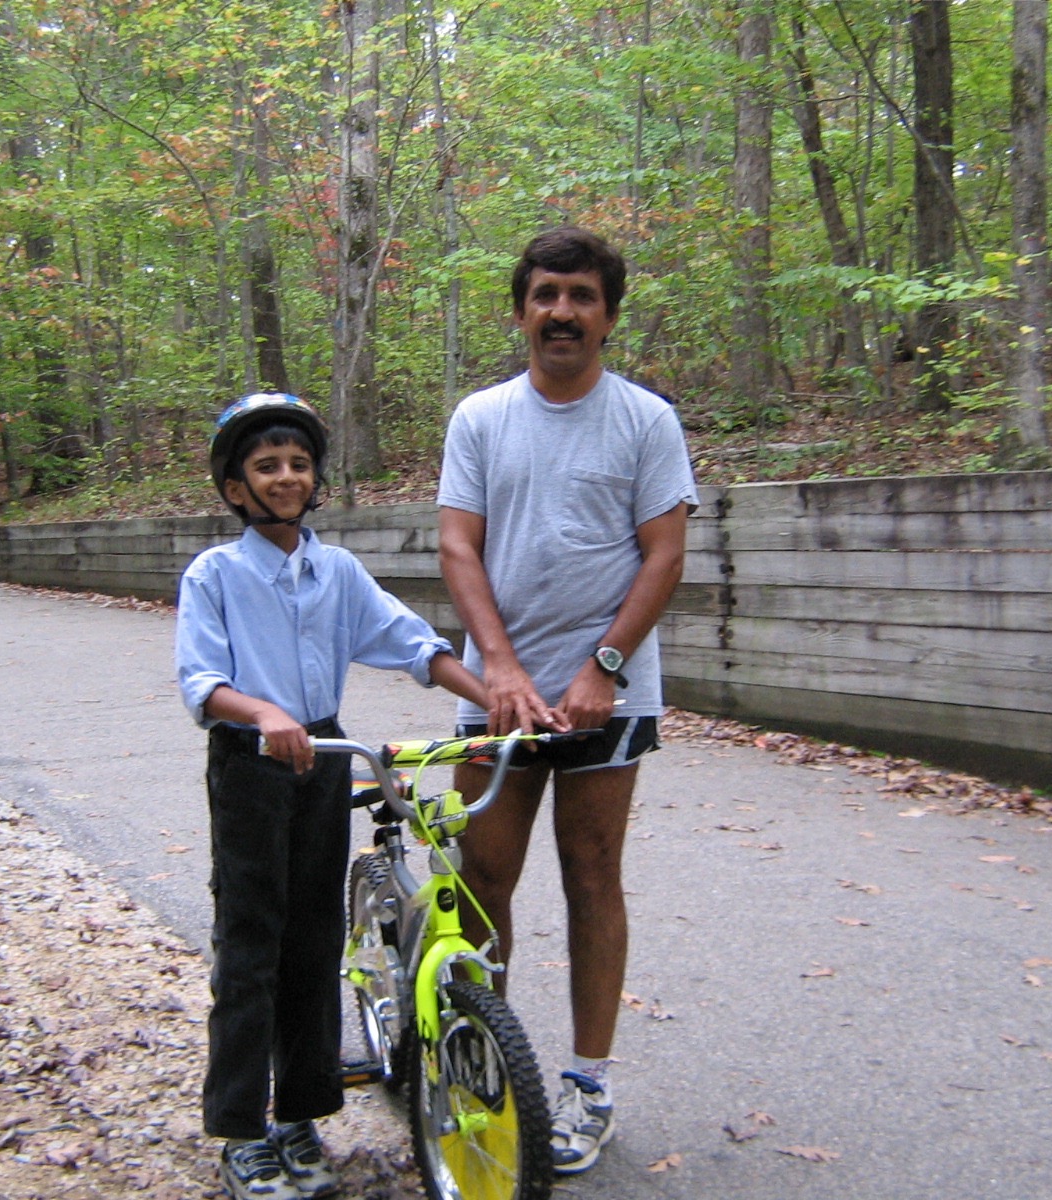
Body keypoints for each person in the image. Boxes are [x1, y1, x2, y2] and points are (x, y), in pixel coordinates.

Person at [176, 392, 488, 1200]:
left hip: (322, 759)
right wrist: (263, 712)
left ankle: (300, 1117)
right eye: (265, 466)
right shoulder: (214, 574)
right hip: (250, 765)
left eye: (298, 464)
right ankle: (242, 1129)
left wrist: (492, 696)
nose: (285, 477)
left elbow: (411, 642)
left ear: (315, 478)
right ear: (236, 487)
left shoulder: (337, 571)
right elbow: (203, 683)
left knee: (316, 942)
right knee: (252, 945)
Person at [436, 226, 698, 1175]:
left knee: (593, 878)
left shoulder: (644, 421)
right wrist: (498, 667)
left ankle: (588, 1084)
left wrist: (605, 667)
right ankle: (481, 1064)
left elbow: (664, 553)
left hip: (606, 698)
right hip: (495, 693)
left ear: (607, 317)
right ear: (521, 311)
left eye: (582, 296)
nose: (561, 312)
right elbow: (460, 546)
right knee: (483, 877)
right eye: (546, 294)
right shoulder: (481, 418)